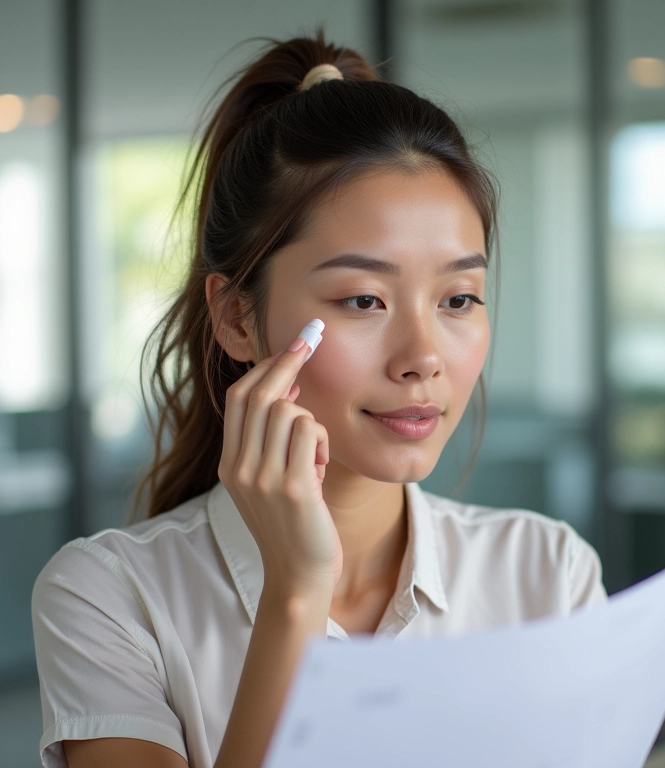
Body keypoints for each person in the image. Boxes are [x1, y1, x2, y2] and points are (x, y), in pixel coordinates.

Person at [31, 32, 606, 768]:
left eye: (459, 298)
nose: (424, 357)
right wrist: (297, 595)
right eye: (364, 299)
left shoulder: (547, 573)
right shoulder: (110, 597)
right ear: (238, 316)